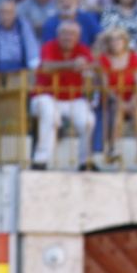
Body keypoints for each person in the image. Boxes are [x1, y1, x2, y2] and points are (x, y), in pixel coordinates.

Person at [30, 19, 94, 171]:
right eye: (64, 33)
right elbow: (46, 66)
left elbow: (92, 68)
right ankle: (41, 160)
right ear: (58, 35)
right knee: (50, 114)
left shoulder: (83, 49)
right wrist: (72, 64)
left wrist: (86, 65)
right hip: (45, 96)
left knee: (88, 121)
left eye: (72, 34)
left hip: (73, 98)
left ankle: (85, 162)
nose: (68, 37)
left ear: (78, 37)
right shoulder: (49, 46)